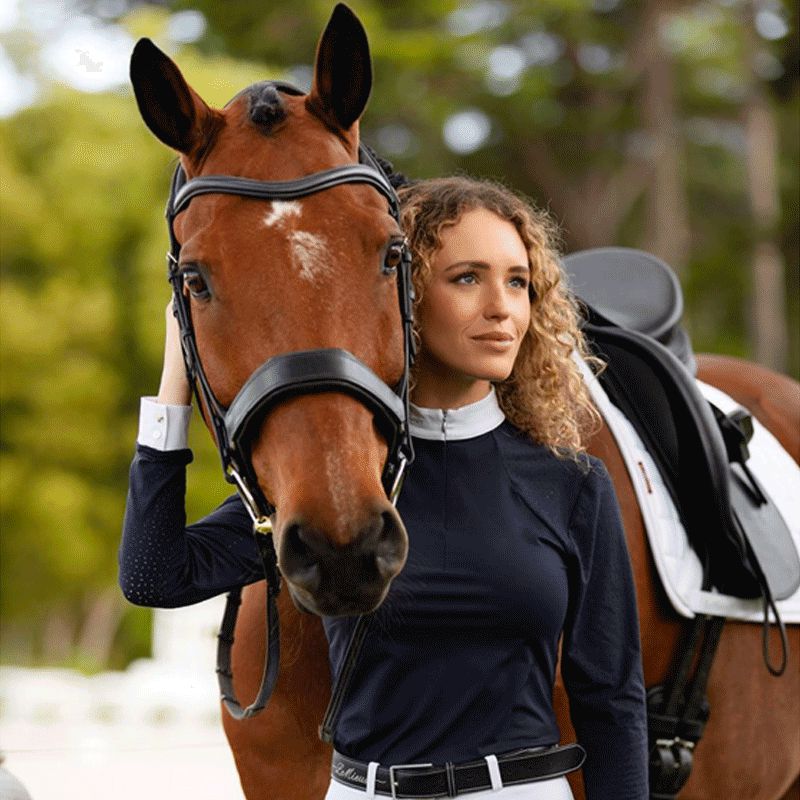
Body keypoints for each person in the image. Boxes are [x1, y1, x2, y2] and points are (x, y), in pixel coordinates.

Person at [120, 175, 648, 799]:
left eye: (518, 282)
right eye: (467, 278)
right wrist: (173, 383)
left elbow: (611, 701)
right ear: (402, 292)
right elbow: (154, 575)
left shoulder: (572, 483)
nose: (502, 307)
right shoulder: (343, 484)